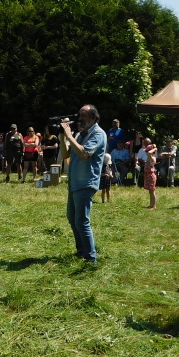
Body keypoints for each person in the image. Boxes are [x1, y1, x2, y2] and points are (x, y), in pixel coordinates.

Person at [59, 106, 107, 263]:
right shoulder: (81, 134)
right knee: (72, 218)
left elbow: (84, 154)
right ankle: (82, 251)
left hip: (86, 182)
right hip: (75, 182)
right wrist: (63, 137)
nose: (79, 119)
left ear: (93, 118)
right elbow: (66, 154)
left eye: (83, 116)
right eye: (79, 115)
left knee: (82, 220)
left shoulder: (98, 134)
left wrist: (69, 136)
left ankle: (91, 258)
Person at [141, 138, 158, 209]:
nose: (146, 152)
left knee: (152, 191)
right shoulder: (149, 158)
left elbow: (149, 153)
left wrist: (154, 149)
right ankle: (151, 204)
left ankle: (154, 205)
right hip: (148, 175)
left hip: (151, 176)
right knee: (150, 191)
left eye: (147, 151)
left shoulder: (152, 158)